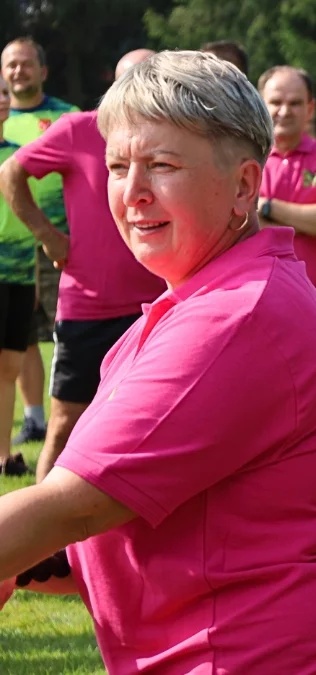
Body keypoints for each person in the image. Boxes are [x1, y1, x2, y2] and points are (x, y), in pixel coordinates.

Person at [0, 50, 316, 674]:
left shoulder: (235, 317)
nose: (132, 193)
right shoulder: (216, 296)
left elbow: (77, 505)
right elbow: (180, 523)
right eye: (117, 166)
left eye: (162, 166)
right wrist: (33, 557)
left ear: (245, 186)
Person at [0, 49, 166, 483]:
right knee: (65, 425)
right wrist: (48, 236)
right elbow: (11, 172)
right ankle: (45, 523)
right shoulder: (78, 128)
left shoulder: (178, 134)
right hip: (90, 308)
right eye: (133, 79)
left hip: (163, 305)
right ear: (115, 85)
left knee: (155, 425)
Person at [0, 37, 79, 446]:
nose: (18, 71)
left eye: (26, 63)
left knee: (68, 329)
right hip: (12, 252)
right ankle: (33, 419)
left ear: (43, 71)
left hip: (62, 240)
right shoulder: (3, 118)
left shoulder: (68, 117)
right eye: (11, 64)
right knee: (22, 338)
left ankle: (75, 415)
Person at [257, 65, 316, 308]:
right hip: (260, 300)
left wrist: (267, 208)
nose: (284, 111)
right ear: (259, 105)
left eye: (295, 103)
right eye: (276, 102)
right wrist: (311, 222)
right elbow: (239, 225)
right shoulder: (245, 158)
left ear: (311, 108)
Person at [0, 79, 34, 476]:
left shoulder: (20, 157)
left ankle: (4, 455)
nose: (1, 100)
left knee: (10, 366)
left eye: (4, 93)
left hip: (22, 272)